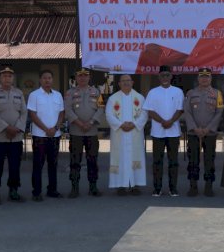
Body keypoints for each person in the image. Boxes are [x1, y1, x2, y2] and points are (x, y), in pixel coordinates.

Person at [0, 65, 28, 204]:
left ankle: (14, 190)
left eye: (9, 76)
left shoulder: (19, 93)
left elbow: (24, 112)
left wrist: (17, 128)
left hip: (16, 137)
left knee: (15, 165)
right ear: (0, 77)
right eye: (4, 75)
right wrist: (6, 128)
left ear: (13, 78)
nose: (7, 78)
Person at [143, 66, 184, 197]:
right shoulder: (153, 92)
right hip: (158, 132)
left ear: (171, 76)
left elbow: (180, 109)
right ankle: (157, 188)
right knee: (157, 162)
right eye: (162, 75)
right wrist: (163, 121)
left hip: (173, 132)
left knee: (173, 162)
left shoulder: (178, 91)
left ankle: (173, 188)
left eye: (167, 75)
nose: (165, 78)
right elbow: (150, 110)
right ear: (159, 77)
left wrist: (171, 121)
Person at [183, 68, 224, 197]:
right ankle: (193, 186)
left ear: (211, 79)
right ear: (198, 79)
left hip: (210, 133)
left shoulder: (217, 94)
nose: (204, 79)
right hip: (193, 133)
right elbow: (187, 111)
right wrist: (194, 128)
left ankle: (208, 186)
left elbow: (219, 112)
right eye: (202, 76)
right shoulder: (191, 93)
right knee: (193, 160)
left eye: (207, 77)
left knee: (209, 160)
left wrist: (209, 128)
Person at [64, 67, 105, 198]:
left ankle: (93, 187)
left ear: (89, 78)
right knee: (75, 161)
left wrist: (91, 122)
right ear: (76, 78)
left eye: (85, 76)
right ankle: (74, 188)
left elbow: (101, 109)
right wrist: (80, 123)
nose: (82, 78)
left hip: (91, 132)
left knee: (92, 160)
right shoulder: (70, 93)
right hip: (76, 132)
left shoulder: (97, 92)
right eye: (80, 76)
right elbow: (68, 110)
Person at [105, 75, 148, 195]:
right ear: (119, 84)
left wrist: (134, 124)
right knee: (120, 157)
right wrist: (121, 125)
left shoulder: (140, 98)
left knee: (135, 156)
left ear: (132, 82)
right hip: (120, 133)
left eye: (128, 81)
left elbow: (144, 114)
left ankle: (135, 185)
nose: (126, 83)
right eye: (123, 81)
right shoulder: (113, 99)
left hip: (135, 133)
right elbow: (109, 115)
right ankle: (120, 186)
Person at [27, 70, 65, 202]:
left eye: (49, 78)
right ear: (40, 80)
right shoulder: (34, 95)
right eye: (44, 78)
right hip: (40, 136)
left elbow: (61, 113)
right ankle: (36, 192)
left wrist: (55, 128)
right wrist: (45, 129)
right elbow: (32, 114)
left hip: (55, 135)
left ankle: (52, 190)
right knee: (38, 164)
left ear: (52, 80)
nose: (47, 80)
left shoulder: (58, 95)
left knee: (53, 164)